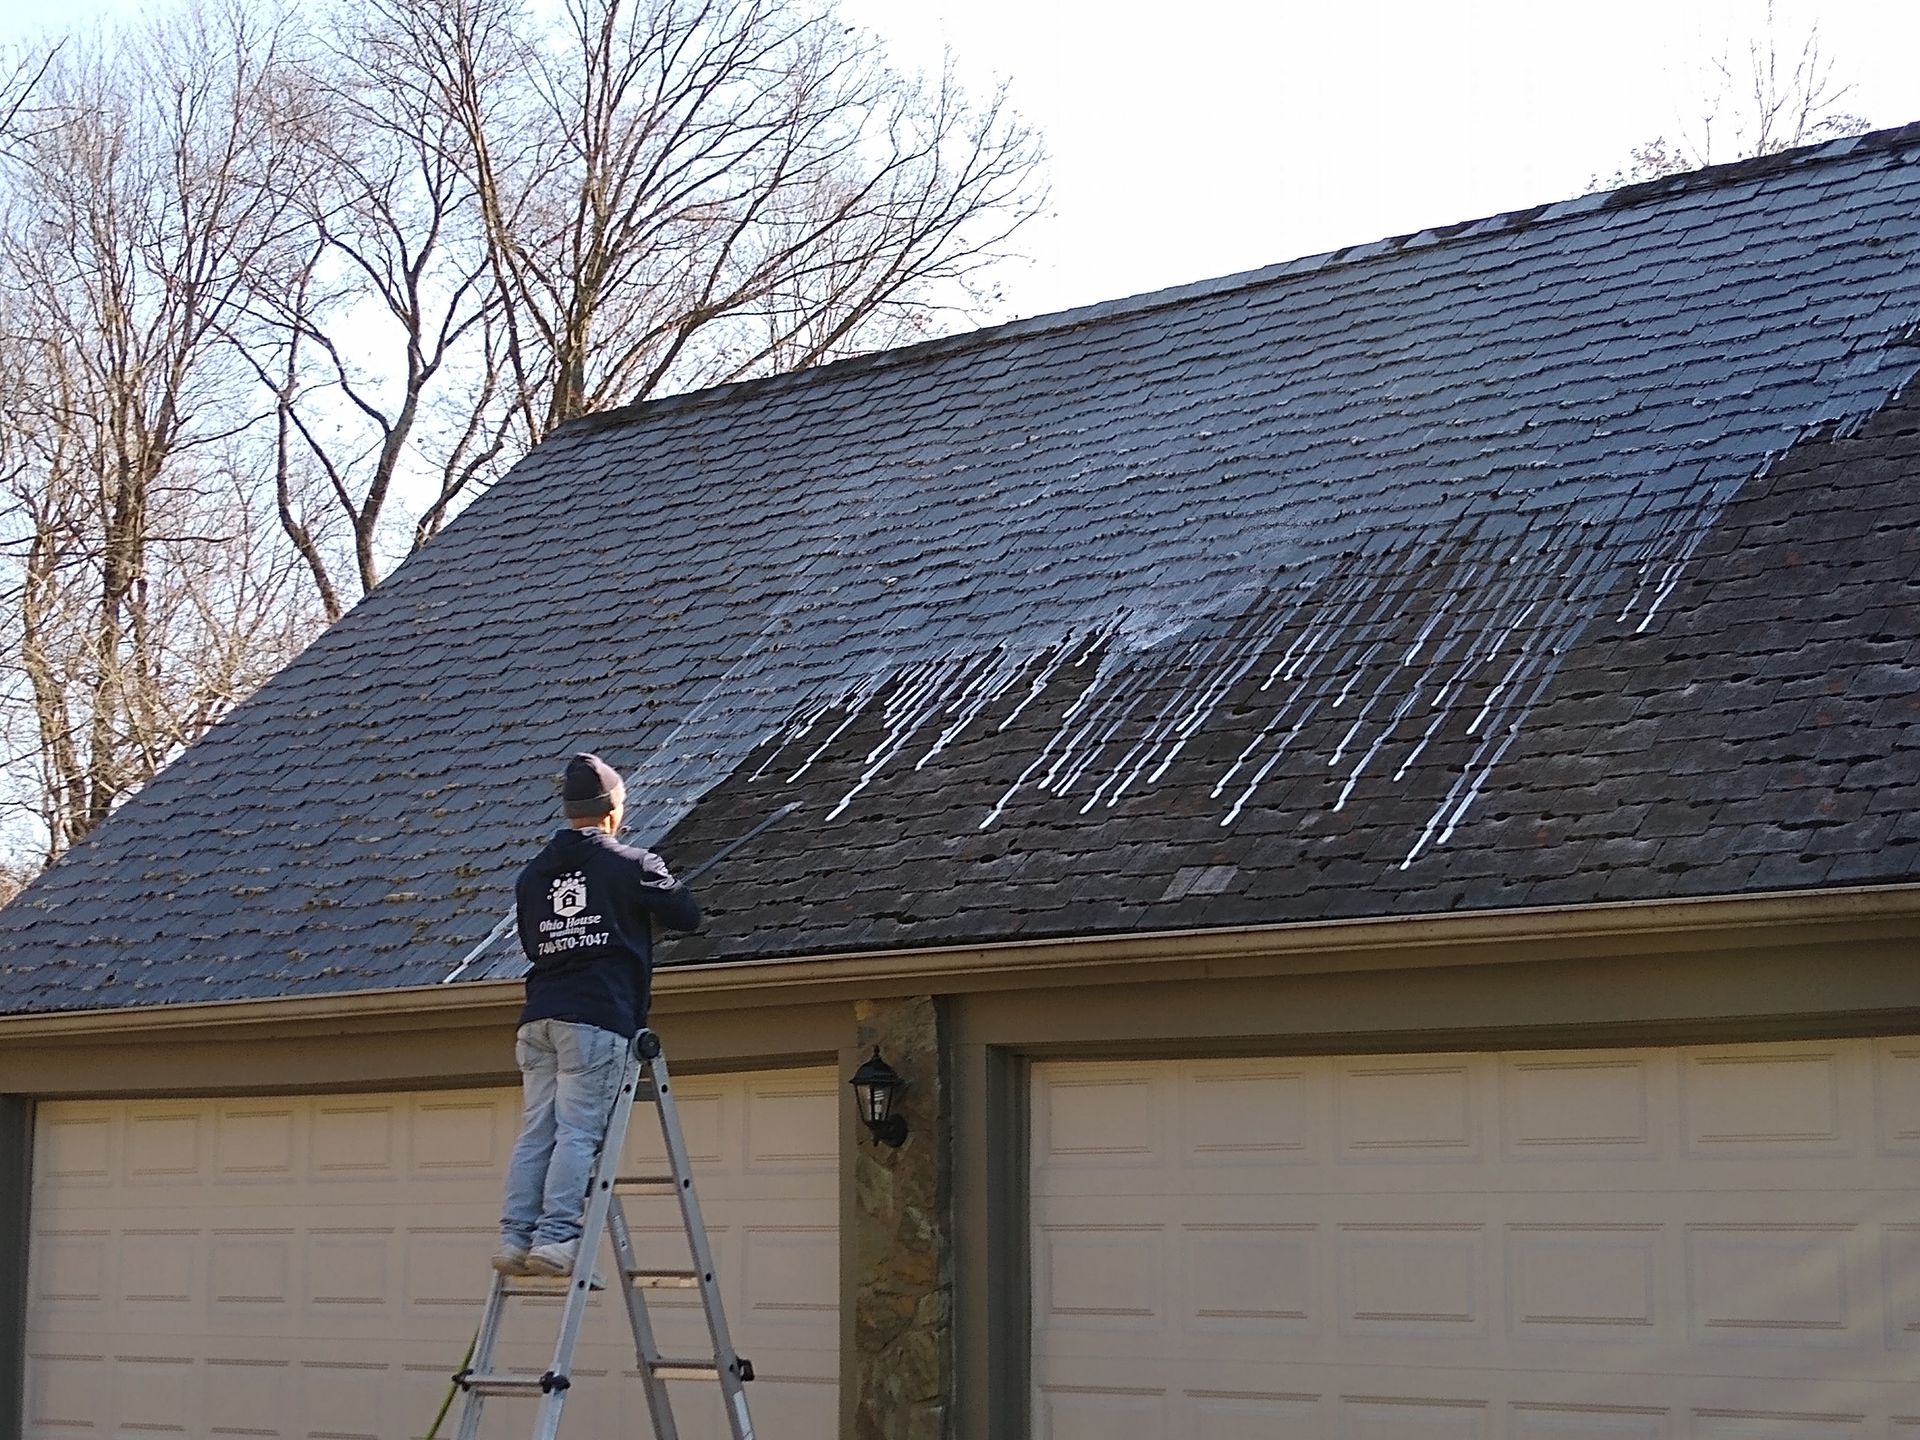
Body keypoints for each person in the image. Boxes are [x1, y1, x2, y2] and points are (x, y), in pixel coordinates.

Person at [494, 753, 701, 1278]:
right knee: (579, 1132)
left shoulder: (533, 874)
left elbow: (535, 941)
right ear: (612, 809)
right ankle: (558, 1237)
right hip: (598, 1015)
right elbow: (687, 916)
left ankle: (515, 1237)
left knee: (538, 1130)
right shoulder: (631, 865)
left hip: (539, 1015)